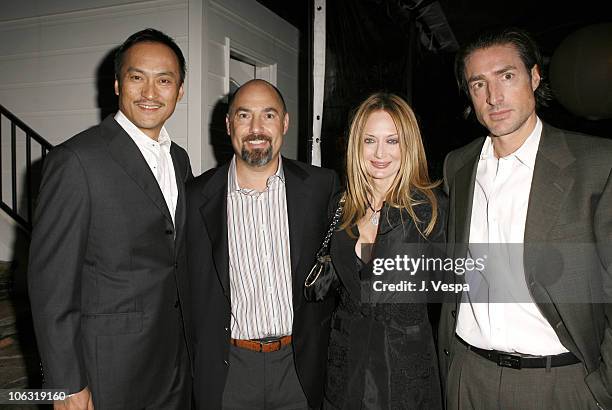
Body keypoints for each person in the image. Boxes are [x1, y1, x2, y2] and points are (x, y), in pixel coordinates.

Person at [437, 27, 612, 409]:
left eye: (507, 76)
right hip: (468, 376)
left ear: (534, 77)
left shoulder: (598, 163)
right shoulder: (458, 165)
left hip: (563, 384)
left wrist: (602, 390)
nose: (493, 97)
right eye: (478, 83)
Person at [28, 28, 192, 409]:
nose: (150, 93)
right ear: (118, 84)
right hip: (108, 371)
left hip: (175, 365)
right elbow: (51, 288)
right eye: (137, 78)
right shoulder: (76, 161)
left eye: (164, 81)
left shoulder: (179, 159)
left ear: (179, 90)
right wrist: (65, 384)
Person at [186, 79, 340, 409]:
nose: (256, 128)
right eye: (244, 116)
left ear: (284, 122)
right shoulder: (194, 198)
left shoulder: (321, 188)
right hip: (229, 373)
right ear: (228, 125)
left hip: (301, 368)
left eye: (268, 115)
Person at [321, 92, 446, 409]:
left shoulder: (432, 212)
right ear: (356, 146)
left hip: (405, 380)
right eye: (369, 140)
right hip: (346, 373)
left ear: (408, 146)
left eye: (392, 141)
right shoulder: (341, 208)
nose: (380, 153)